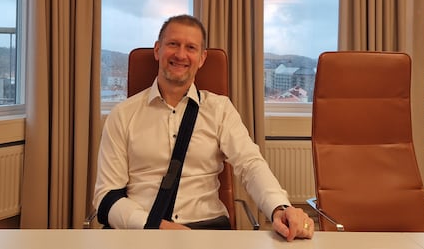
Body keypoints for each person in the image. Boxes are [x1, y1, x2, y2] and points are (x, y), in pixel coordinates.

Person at [92, 14, 314, 241]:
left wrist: (280, 208)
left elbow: (250, 164)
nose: (180, 54)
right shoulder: (122, 115)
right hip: (140, 233)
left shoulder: (220, 110)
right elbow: (106, 196)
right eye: (173, 44)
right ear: (157, 50)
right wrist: (154, 226)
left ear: (201, 58)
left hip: (207, 231)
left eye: (191, 47)